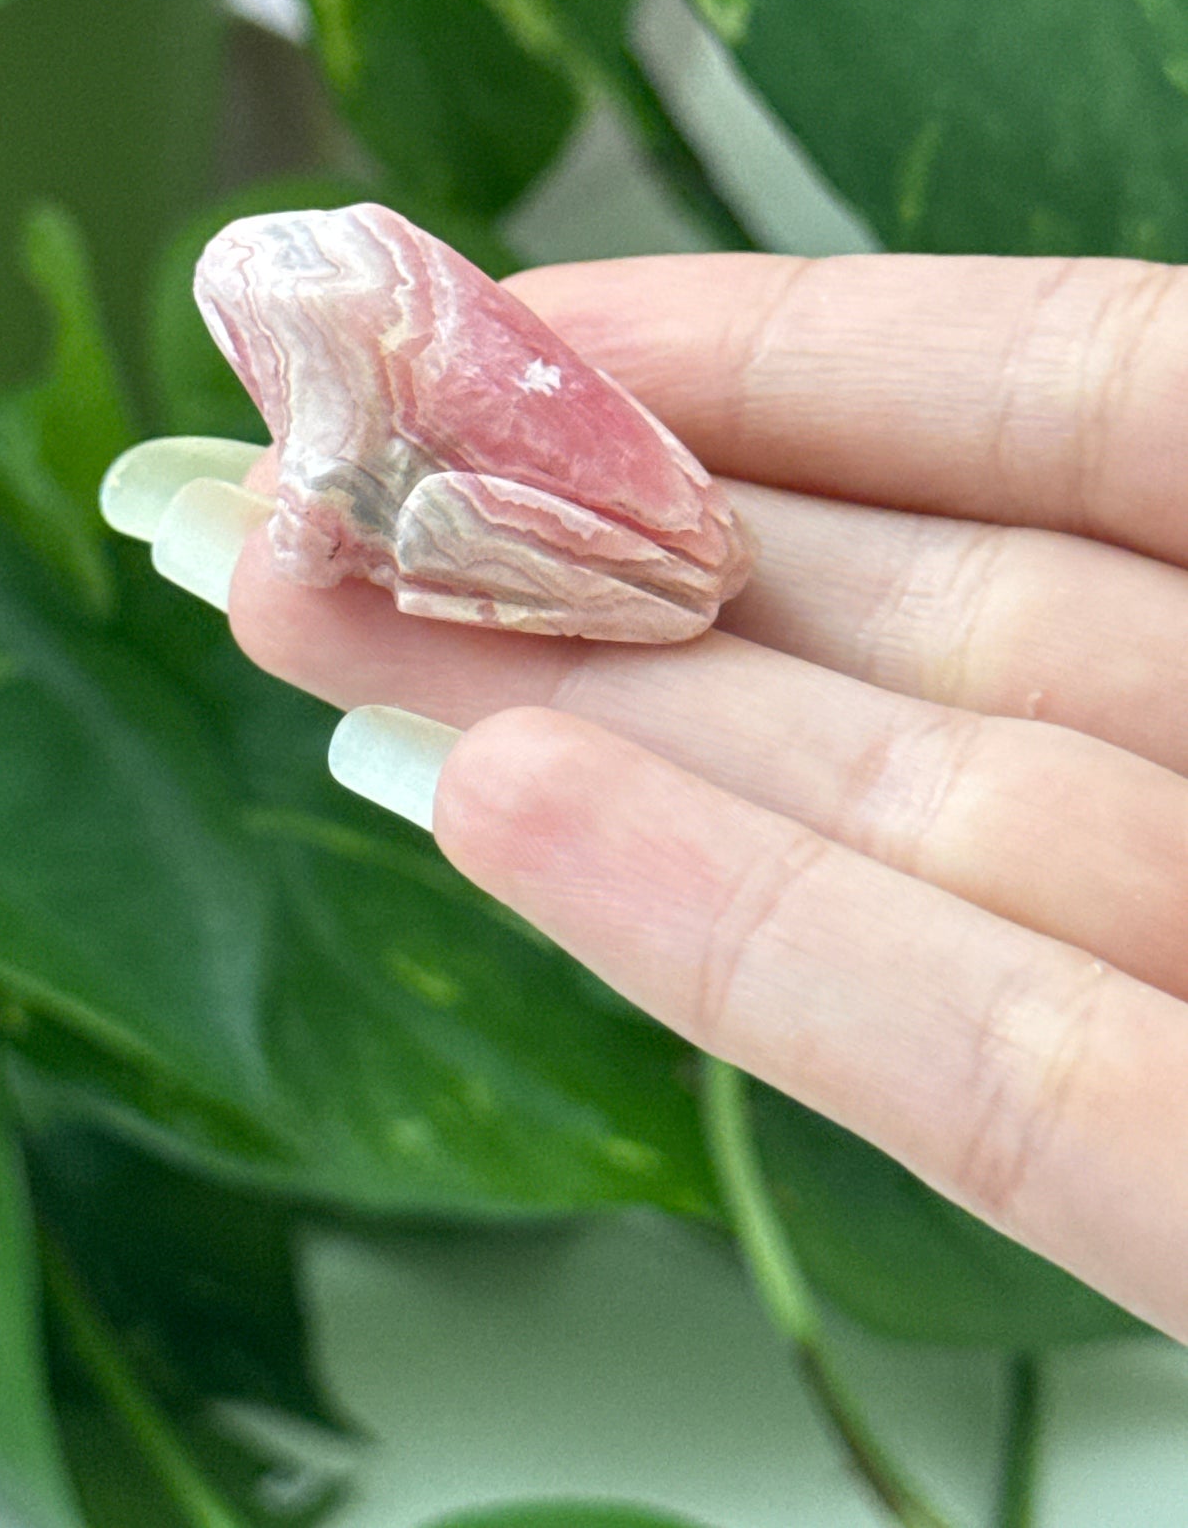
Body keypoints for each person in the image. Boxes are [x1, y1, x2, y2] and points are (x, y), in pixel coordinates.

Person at [102, 250, 1188, 1344]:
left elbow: (319, 505)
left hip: (616, 544)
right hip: (665, 512)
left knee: (424, 531)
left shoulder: (337, 324)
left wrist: (316, 536)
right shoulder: (394, 291)